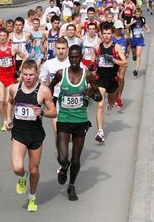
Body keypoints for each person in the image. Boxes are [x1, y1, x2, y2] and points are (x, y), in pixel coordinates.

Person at [49, 45, 102, 201]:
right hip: (64, 119)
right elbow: (50, 87)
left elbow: (99, 98)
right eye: (71, 57)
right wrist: (51, 103)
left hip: (80, 121)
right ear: (68, 57)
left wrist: (91, 93)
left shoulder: (88, 76)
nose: (73, 60)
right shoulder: (61, 74)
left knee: (76, 159)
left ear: (81, 57)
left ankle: (71, 186)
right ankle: (64, 168)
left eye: (76, 57)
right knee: (63, 157)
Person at [5, 60, 56, 212]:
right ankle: (22, 177)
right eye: (25, 74)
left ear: (37, 74)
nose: (28, 78)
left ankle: (32, 196)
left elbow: (54, 111)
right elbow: (9, 103)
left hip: (35, 134)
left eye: (31, 75)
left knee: (34, 170)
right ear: (22, 74)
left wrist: (43, 112)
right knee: (17, 167)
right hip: (19, 133)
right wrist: (8, 118)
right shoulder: (14, 89)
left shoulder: (44, 91)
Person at [93, 25, 127, 143]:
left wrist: (113, 60)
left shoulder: (116, 47)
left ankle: (111, 104)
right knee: (100, 105)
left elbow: (125, 62)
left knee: (111, 100)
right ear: (101, 34)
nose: (106, 36)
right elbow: (94, 61)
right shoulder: (97, 47)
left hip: (112, 80)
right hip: (100, 79)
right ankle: (100, 132)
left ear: (111, 34)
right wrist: (92, 66)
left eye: (108, 33)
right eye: (104, 33)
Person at [0, 28, 28, 131]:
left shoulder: (13, 48)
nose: (2, 38)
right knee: (1, 99)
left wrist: (19, 70)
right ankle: (4, 120)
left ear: (7, 37)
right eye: (1, 36)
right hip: (0, 77)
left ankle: (8, 119)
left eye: (4, 36)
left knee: (8, 100)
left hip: (11, 77)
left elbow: (25, 57)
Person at [40, 37, 70, 133]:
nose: (60, 51)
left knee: (69, 133)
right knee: (58, 132)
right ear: (54, 49)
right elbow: (42, 81)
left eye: (63, 48)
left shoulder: (73, 63)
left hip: (70, 97)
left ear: (67, 49)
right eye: (58, 48)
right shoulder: (48, 63)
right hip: (55, 97)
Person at [126, 8, 150, 78]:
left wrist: (148, 29)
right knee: (134, 54)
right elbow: (126, 26)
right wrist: (132, 23)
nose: (138, 15)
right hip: (133, 39)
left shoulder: (142, 19)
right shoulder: (132, 19)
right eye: (136, 14)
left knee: (138, 54)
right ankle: (133, 55)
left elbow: (145, 25)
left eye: (139, 14)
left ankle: (136, 69)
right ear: (134, 14)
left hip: (140, 39)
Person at [112, 20, 130, 109]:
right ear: (114, 28)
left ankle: (119, 97)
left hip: (122, 62)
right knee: (114, 79)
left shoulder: (125, 37)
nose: (119, 30)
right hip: (114, 62)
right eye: (117, 28)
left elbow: (129, 44)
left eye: (120, 29)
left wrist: (127, 52)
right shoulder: (111, 38)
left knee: (121, 78)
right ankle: (114, 94)